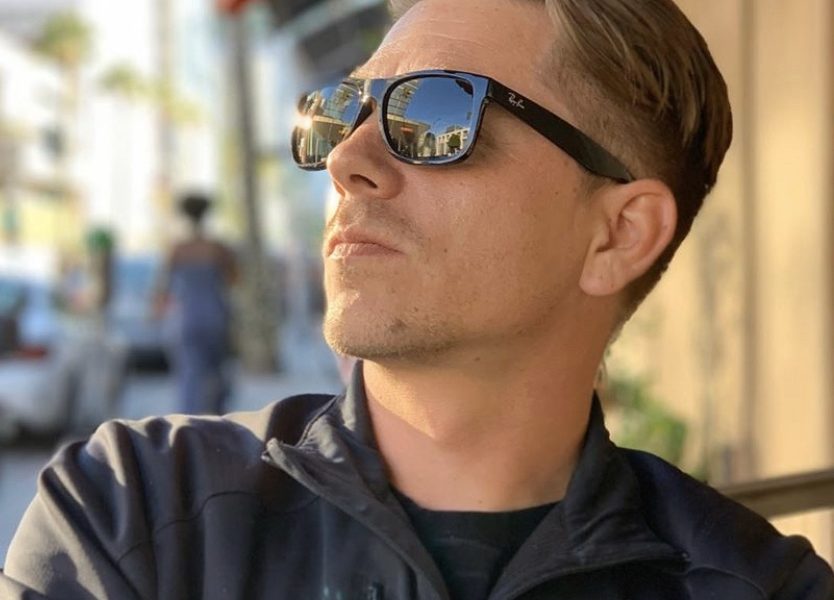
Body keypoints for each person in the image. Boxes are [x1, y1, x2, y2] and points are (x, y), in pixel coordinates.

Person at [1, 0, 833, 598]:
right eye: (340, 112)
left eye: (436, 113)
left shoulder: (754, 583)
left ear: (617, 234)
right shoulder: (134, 515)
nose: (345, 161)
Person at [154, 192, 237, 415]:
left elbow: (163, 287)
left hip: (187, 317)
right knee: (216, 372)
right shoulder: (218, 248)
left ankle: (188, 419)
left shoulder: (177, 249)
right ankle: (217, 418)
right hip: (215, 315)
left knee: (188, 374)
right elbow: (234, 280)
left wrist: (157, 312)